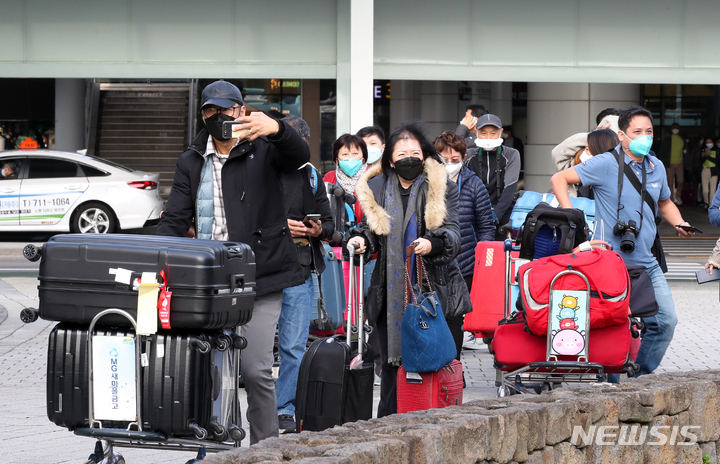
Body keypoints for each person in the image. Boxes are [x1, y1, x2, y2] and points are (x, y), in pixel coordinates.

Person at [156, 80, 310, 444]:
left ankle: (266, 447)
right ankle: (222, 444)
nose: (218, 115)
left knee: (256, 368)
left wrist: (278, 128)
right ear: (203, 114)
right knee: (212, 370)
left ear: (241, 111)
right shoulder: (191, 160)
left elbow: (298, 155)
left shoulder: (264, 148)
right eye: (210, 110)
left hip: (261, 277)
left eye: (226, 108)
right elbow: (175, 219)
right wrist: (155, 255)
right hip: (210, 283)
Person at [550, 105, 695, 379]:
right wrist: (572, 214)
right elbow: (559, 178)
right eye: (637, 132)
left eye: (649, 131)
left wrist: (679, 222)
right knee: (614, 328)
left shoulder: (657, 166)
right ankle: (611, 385)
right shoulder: (605, 162)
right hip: (609, 264)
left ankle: (638, 373)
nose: (644, 137)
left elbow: (664, 202)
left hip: (646, 263)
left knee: (665, 322)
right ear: (622, 135)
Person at [346, 122, 470, 417]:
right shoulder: (376, 189)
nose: (410, 158)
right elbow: (371, 234)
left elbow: (454, 233)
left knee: (436, 369)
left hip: (438, 295)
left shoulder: (440, 187)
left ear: (425, 155)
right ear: (390, 158)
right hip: (391, 299)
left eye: (416, 152)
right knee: (391, 373)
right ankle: (387, 436)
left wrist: (433, 243)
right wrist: (361, 241)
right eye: (402, 153)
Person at [275, 116, 334, 434]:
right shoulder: (262, 170)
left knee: (293, 346)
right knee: (250, 348)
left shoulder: (311, 176)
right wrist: (280, 225)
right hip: (262, 269)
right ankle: (260, 403)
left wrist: (316, 229)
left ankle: (285, 407)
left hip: (300, 268)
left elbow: (330, 223)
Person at [433, 131, 494, 356]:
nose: (449, 165)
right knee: (433, 316)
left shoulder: (473, 183)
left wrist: (482, 258)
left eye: (455, 160)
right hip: (432, 261)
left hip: (465, 262)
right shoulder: (426, 182)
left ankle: (453, 370)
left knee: (454, 318)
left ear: (464, 157)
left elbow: (486, 225)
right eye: (443, 160)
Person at [465, 114, 520, 238]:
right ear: (476, 132)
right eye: (483, 133)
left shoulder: (511, 154)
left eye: (493, 133)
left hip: (502, 214)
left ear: (501, 132)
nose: (488, 138)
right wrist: (463, 128)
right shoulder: (468, 154)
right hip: (473, 214)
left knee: (497, 253)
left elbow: (510, 188)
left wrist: (496, 214)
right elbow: (451, 149)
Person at [551, 108, 622, 196]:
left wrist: (612, 138)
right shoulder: (581, 166)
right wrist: (596, 137)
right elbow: (558, 154)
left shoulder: (622, 165)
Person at [323, 134, 368, 222]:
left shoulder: (373, 179)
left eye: (355, 153)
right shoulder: (329, 178)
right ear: (337, 160)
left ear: (363, 158)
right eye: (345, 154)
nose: (350, 158)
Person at [574, 129, 620, 199]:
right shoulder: (588, 174)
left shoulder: (615, 179)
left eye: (587, 149)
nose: (584, 153)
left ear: (599, 150)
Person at [659, 123, 685, 205]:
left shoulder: (682, 139)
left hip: (680, 163)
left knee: (681, 181)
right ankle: (671, 199)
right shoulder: (667, 140)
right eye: (674, 128)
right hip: (669, 164)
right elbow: (662, 152)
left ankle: (678, 195)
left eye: (677, 128)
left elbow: (686, 152)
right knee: (670, 183)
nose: (675, 129)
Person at [700, 138, 718, 209]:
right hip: (705, 170)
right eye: (707, 142)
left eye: (710, 142)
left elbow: (716, 161)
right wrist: (704, 155)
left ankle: (711, 205)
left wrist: (708, 156)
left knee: (712, 191)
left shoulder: (717, 151)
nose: (708, 143)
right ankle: (706, 202)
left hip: (714, 171)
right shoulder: (703, 151)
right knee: (705, 191)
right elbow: (700, 161)